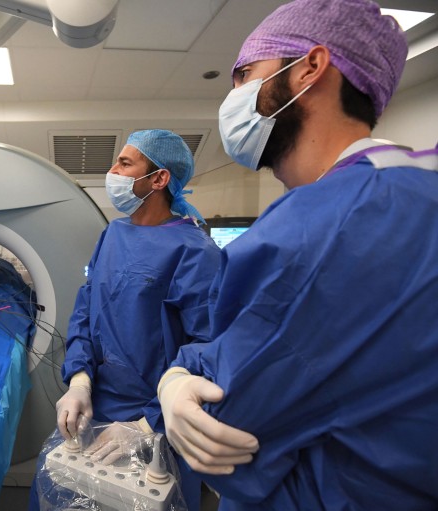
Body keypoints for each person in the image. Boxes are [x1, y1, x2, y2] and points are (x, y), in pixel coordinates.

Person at [157, 1, 438, 510]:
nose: (233, 95)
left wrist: (178, 376)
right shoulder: (418, 188)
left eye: (244, 75)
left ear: (310, 68)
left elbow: (225, 417)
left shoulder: (323, 226)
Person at [31, 129, 221, 511]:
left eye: (125, 162)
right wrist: (80, 381)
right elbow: (86, 310)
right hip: (95, 408)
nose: (112, 170)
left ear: (159, 178)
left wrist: (147, 425)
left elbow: (209, 351)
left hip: (159, 421)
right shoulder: (112, 234)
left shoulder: (195, 251)